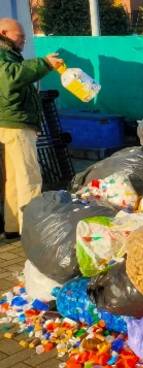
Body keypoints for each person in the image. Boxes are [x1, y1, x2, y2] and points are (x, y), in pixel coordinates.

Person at [0, 18, 63, 240]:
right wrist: (44, 63)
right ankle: (33, 230)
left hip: (10, 122)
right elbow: (10, 77)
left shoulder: (7, 54)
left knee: (16, 178)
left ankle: (14, 226)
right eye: (20, 36)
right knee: (29, 176)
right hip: (15, 123)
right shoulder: (2, 54)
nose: (24, 40)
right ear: (4, 32)